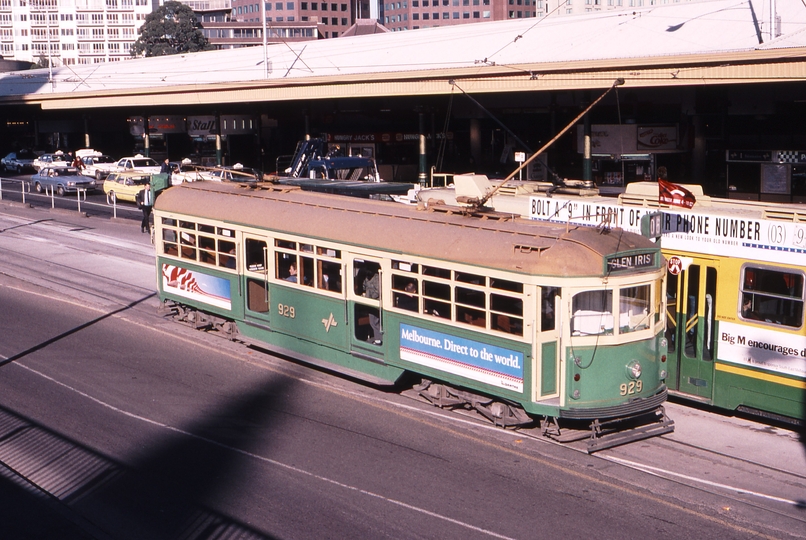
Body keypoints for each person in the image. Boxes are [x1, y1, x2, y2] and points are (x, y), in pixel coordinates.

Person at [362, 269, 382, 344]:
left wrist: (370, 297)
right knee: (372, 321)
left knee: (374, 321)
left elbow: (378, 291)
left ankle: (378, 339)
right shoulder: (367, 278)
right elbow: (364, 286)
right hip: (369, 301)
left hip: (375, 302)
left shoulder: (376, 278)